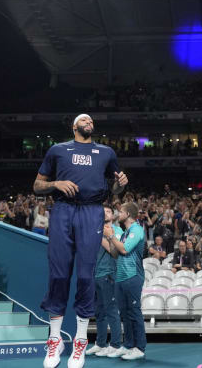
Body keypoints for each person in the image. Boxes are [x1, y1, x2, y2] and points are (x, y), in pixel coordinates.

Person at [34, 113, 129, 368]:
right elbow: (37, 185)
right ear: (74, 126)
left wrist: (121, 183)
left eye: (92, 121)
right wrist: (56, 183)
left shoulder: (106, 152)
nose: (89, 122)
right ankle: (54, 340)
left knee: (86, 275)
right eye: (84, 120)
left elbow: (116, 189)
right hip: (63, 210)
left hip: (92, 211)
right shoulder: (58, 150)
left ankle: (80, 341)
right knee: (58, 275)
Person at [102, 202, 147, 360]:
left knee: (134, 312)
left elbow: (124, 249)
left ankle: (140, 347)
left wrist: (111, 236)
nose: (118, 213)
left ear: (128, 214)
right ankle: (129, 345)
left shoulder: (137, 230)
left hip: (133, 276)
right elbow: (116, 253)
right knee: (125, 314)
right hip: (120, 277)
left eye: (120, 211)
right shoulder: (127, 232)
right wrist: (107, 237)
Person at [85, 206, 127, 358]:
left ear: (113, 216)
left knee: (111, 310)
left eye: (108, 211)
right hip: (96, 274)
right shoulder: (95, 231)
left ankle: (115, 344)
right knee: (99, 312)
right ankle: (100, 344)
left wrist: (102, 235)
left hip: (110, 273)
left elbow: (114, 251)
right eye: (102, 211)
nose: (104, 213)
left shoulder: (117, 230)